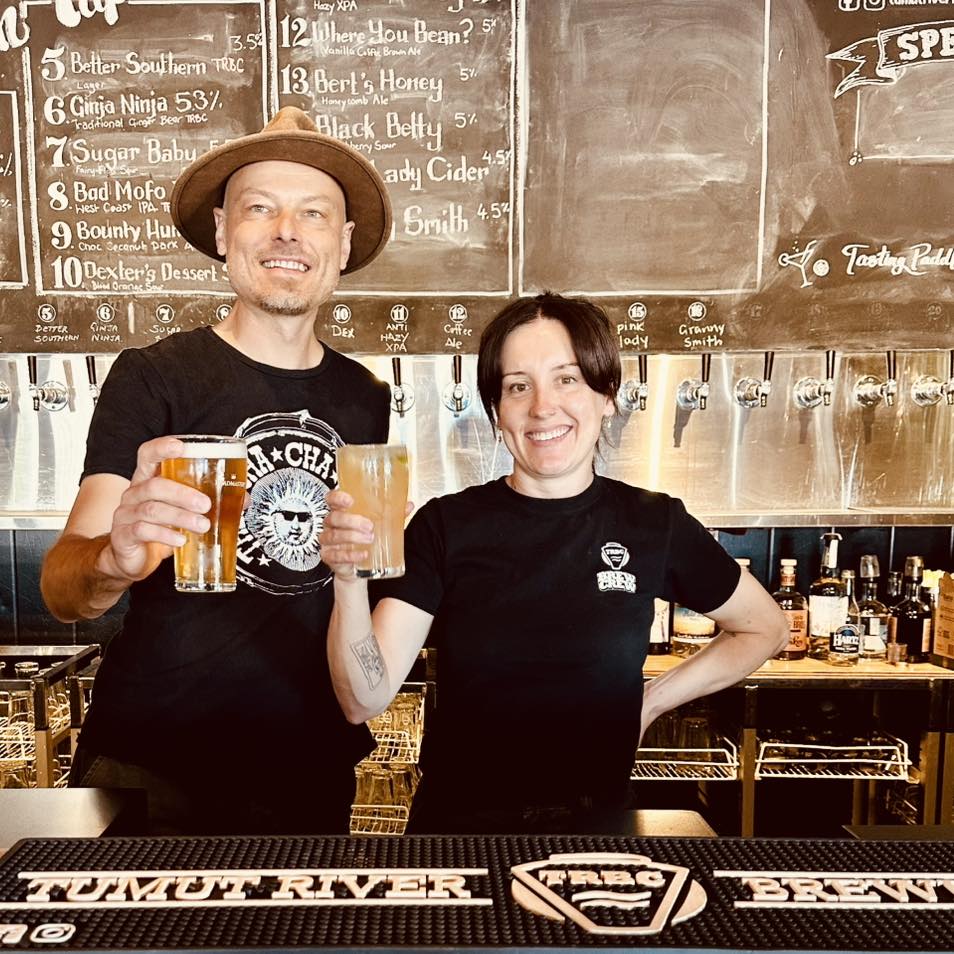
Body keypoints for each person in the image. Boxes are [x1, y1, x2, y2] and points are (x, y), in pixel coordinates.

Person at [40, 107, 394, 835]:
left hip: (308, 769)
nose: (287, 232)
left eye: (313, 213)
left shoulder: (365, 398)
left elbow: (355, 581)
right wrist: (115, 556)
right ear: (222, 233)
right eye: (260, 208)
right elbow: (63, 591)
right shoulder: (152, 377)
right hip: (151, 762)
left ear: (342, 242)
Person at [321, 292, 788, 834]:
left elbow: (764, 627)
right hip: (461, 831)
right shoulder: (445, 526)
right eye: (518, 386)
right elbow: (364, 698)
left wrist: (653, 701)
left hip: (598, 826)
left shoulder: (652, 523)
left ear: (606, 394)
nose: (543, 407)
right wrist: (349, 581)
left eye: (566, 379)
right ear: (497, 413)